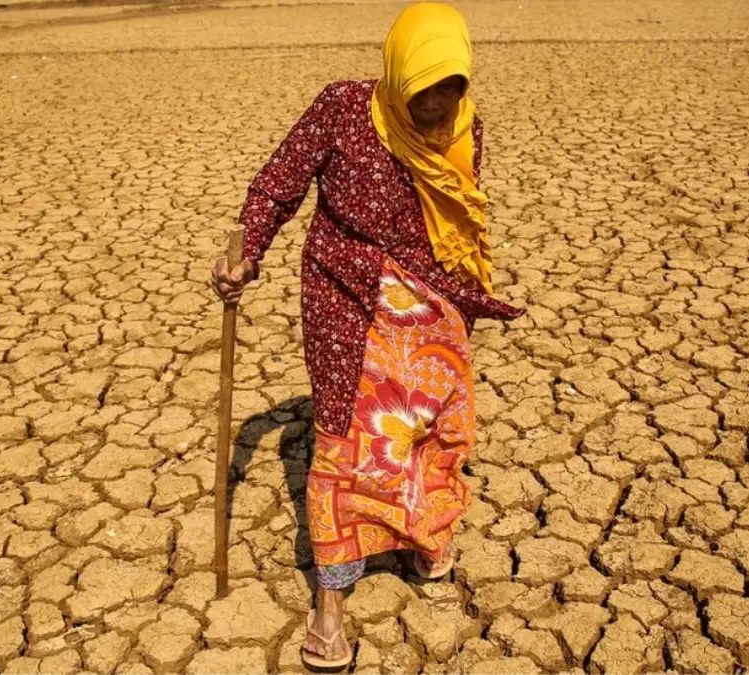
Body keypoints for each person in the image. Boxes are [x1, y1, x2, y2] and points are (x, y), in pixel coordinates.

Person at [211, 2, 523, 669]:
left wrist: (456, 301)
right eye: (425, 86)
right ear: (397, 72)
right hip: (346, 304)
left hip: (432, 309)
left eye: (452, 85)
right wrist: (247, 255)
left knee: (433, 435)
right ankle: (329, 609)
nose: (438, 101)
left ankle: (423, 535)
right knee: (343, 446)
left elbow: (455, 221)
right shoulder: (343, 109)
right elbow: (278, 185)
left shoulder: (468, 130)